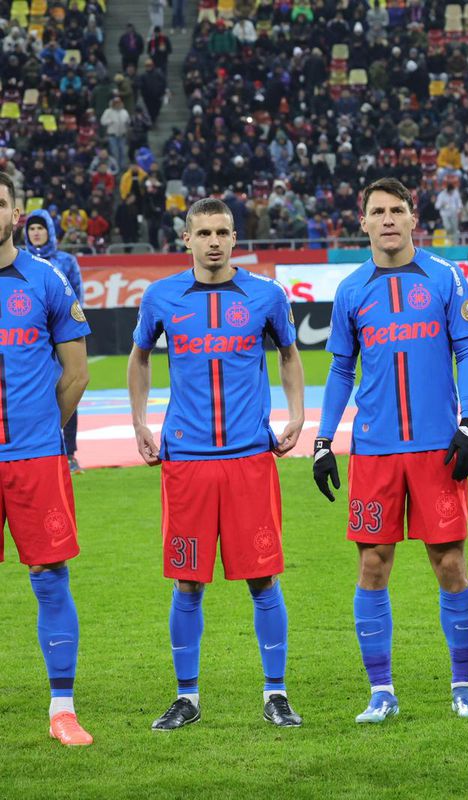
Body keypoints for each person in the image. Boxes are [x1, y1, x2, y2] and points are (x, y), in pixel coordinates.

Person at [312, 177, 468, 722]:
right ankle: (381, 692)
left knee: (450, 563)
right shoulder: (350, 290)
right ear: (362, 222)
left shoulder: (445, 277)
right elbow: (342, 369)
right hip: (375, 452)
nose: (388, 219)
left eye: (397, 210)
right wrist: (323, 441)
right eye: (377, 212)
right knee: (372, 564)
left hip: (438, 449)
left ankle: (463, 687)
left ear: (414, 219)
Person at [128, 198, 306, 730]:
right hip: (186, 462)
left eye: (222, 231)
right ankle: (188, 697)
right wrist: (140, 421)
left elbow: (289, 354)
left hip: (251, 457)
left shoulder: (266, 295)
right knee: (187, 583)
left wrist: (298, 414)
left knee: (263, 579)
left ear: (235, 238)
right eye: (202, 232)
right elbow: (140, 358)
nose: (213, 241)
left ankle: (275, 693)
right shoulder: (160, 297)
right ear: (186, 239)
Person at [0, 173, 93, 745]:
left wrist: (38, 430)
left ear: (14, 213)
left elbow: (77, 373)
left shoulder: (47, 279)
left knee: (50, 577)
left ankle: (62, 708)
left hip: (35, 458)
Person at [23, 210, 86, 474]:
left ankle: (68, 452)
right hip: (32, 339)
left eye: (40, 228)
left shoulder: (66, 261)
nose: (36, 232)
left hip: (60, 336)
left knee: (69, 385)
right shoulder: (19, 261)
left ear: (50, 230)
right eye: (32, 229)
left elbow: (76, 299)